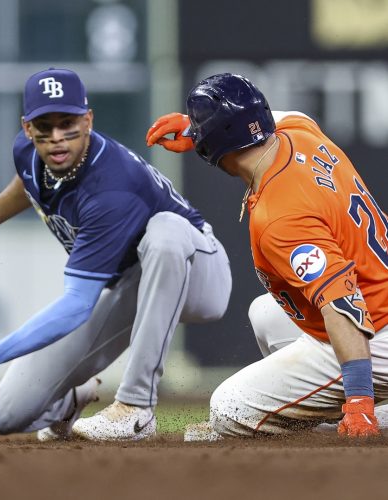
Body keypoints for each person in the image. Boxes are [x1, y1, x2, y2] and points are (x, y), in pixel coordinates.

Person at [0, 68, 232, 441]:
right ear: (27, 128)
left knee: (164, 232)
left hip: (200, 270)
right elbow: (28, 182)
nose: (56, 137)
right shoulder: (28, 152)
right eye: (45, 125)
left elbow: (77, 304)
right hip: (130, 285)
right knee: (4, 414)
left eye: (68, 123)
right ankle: (72, 399)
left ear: (88, 120)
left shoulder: (112, 188)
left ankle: (135, 406)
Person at [146, 73, 388, 439]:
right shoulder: (298, 130)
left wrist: (358, 402)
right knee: (265, 313)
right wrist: (197, 129)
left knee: (229, 407)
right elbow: (267, 116)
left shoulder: (281, 214)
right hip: (377, 303)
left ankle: (368, 413)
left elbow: (344, 305)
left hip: (373, 332)